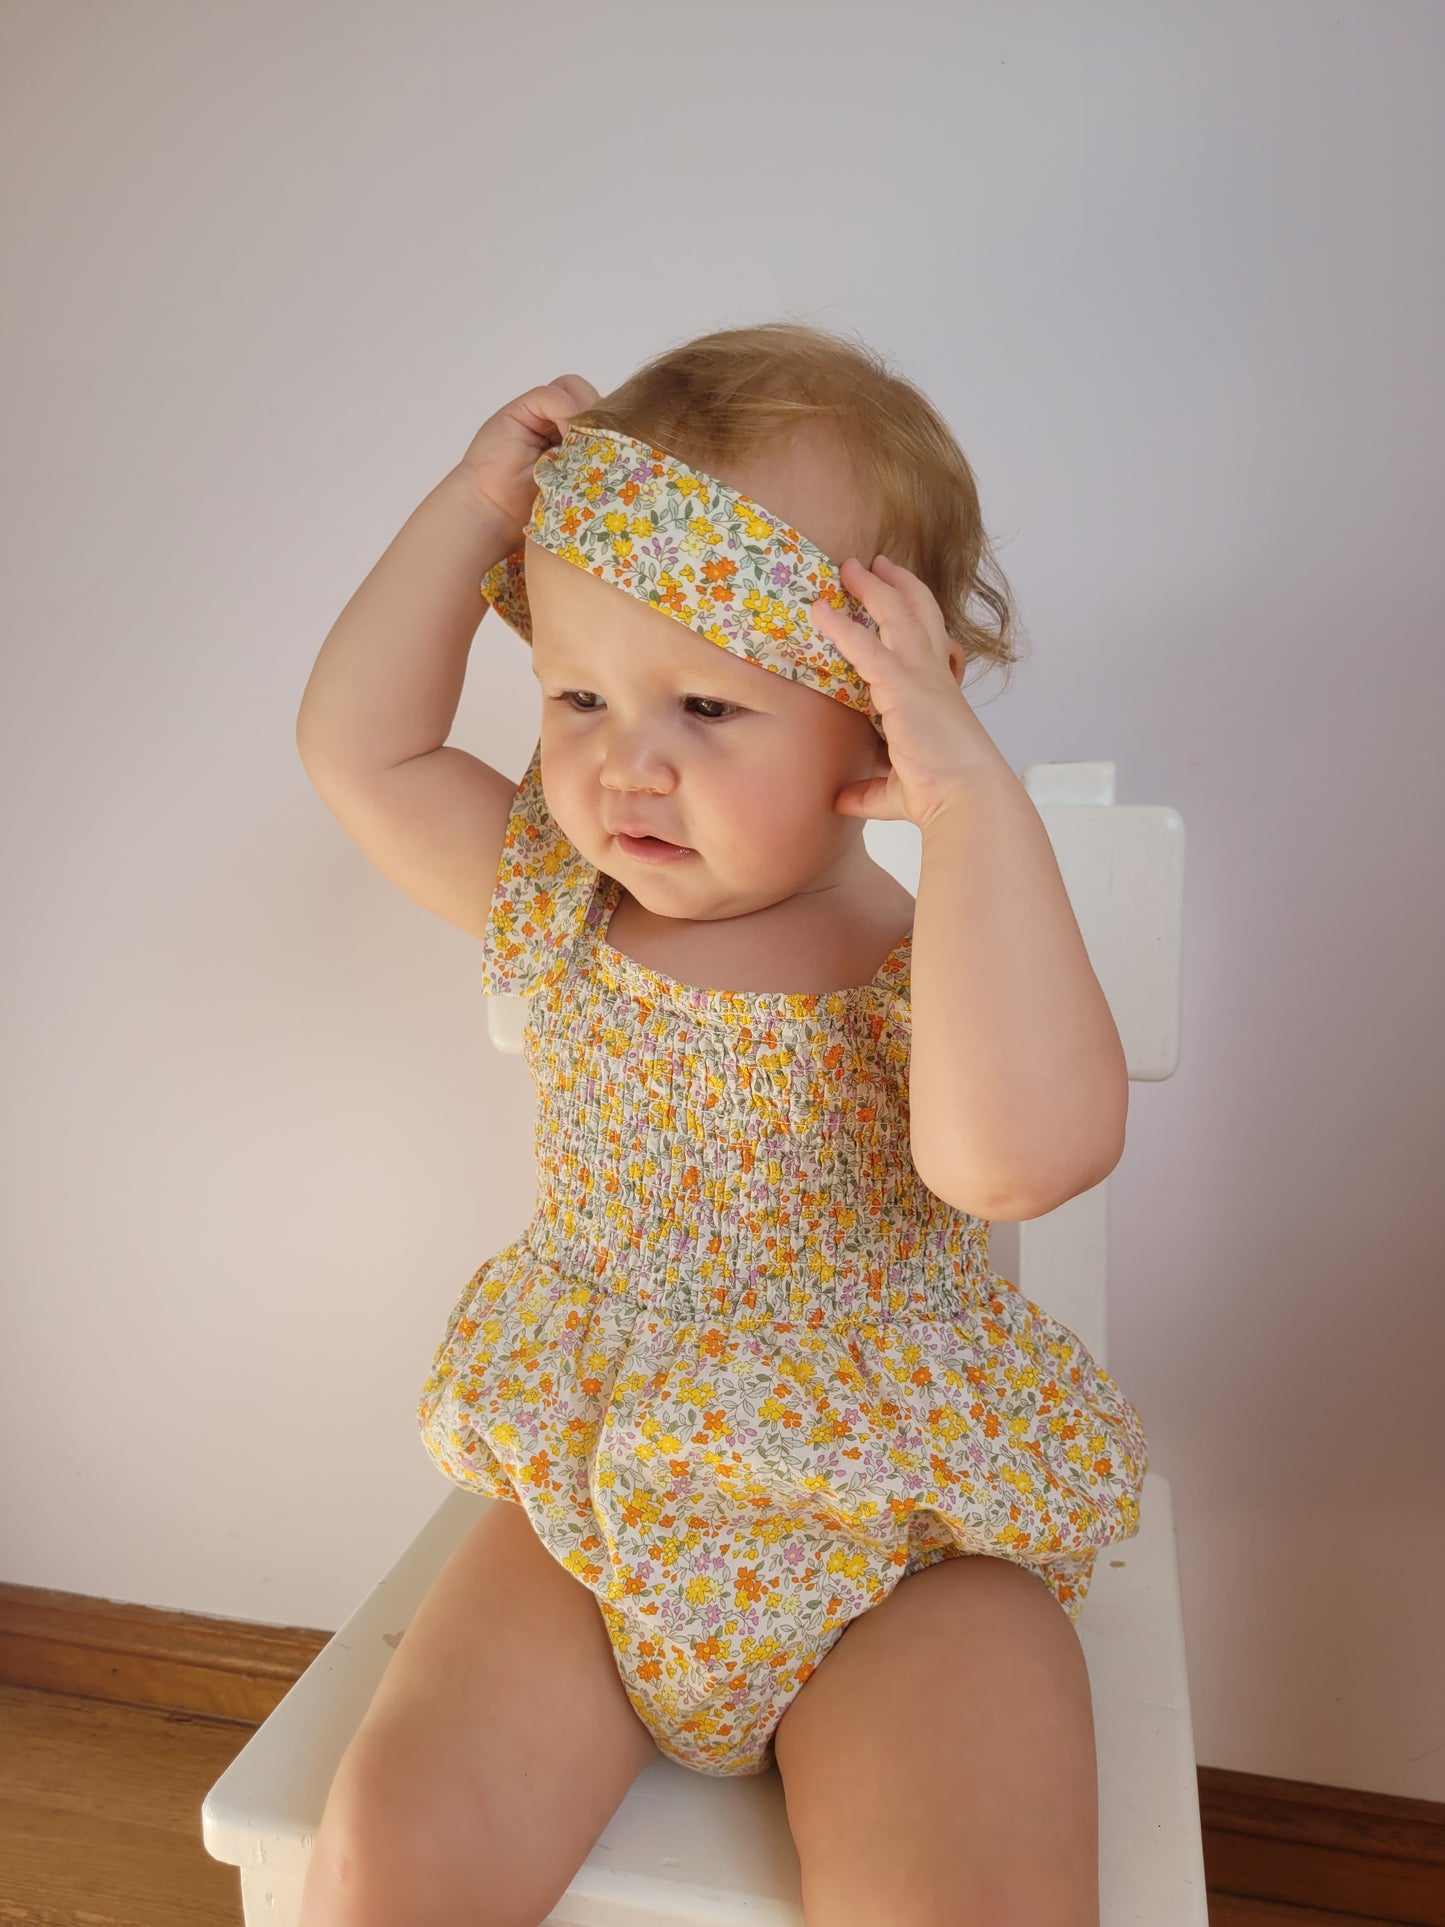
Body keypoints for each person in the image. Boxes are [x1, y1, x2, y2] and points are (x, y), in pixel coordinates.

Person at [292, 320, 1148, 1926]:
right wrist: (476, 505)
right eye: (575, 695)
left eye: (705, 705)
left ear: (872, 719)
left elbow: (1015, 1157)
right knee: (389, 1853)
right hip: (599, 1499)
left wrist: (970, 807)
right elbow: (366, 746)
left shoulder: (933, 954)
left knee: (968, 1895)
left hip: (899, 1533)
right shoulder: (556, 907)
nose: (627, 765)